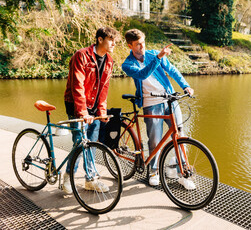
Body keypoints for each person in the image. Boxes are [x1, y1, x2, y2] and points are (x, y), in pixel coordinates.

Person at [122, 28, 195, 189]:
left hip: (169, 99)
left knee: (179, 135)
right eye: (138, 44)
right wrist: (158, 57)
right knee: (155, 140)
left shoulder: (152, 54)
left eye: (143, 42)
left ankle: (181, 173)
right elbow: (142, 74)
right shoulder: (127, 64)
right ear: (130, 46)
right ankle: (153, 171)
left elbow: (172, 71)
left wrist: (185, 86)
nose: (142, 47)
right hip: (150, 103)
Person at [62, 26, 119, 194]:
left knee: (92, 143)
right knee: (80, 143)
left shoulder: (109, 60)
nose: (114, 43)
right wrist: (82, 112)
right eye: (111, 40)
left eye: (115, 41)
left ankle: (90, 180)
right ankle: (68, 176)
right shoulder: (81, 55)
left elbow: (104, 87)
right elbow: (77, 86)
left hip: (94, 107)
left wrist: (101, 110)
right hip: (76, 104)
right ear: (100, 39)